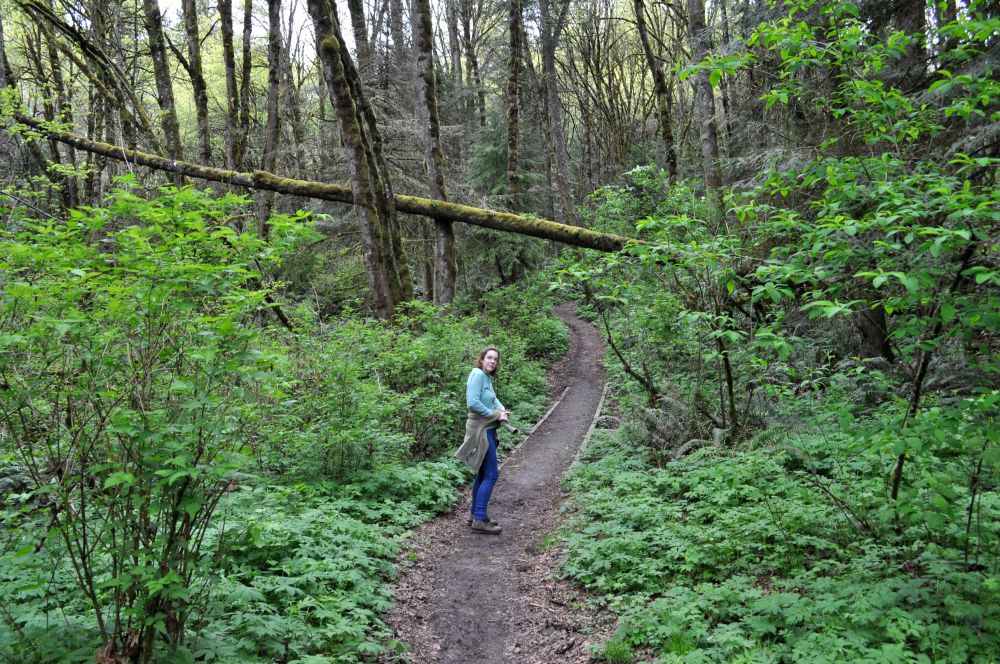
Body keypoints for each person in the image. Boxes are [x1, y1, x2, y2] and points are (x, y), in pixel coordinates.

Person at [454, 347, 510, 534]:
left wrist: (501, 410)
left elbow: (493, 399)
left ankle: (475, 515)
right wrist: (493, 415)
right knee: (491, 475)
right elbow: (473, 403)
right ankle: (479, 519)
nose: (492, 361)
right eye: (489, 358)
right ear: (482, 359)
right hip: (481, 430)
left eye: (495, 359)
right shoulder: (477, 375)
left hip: (489, 429)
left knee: (482, 473)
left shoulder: (486, 377)